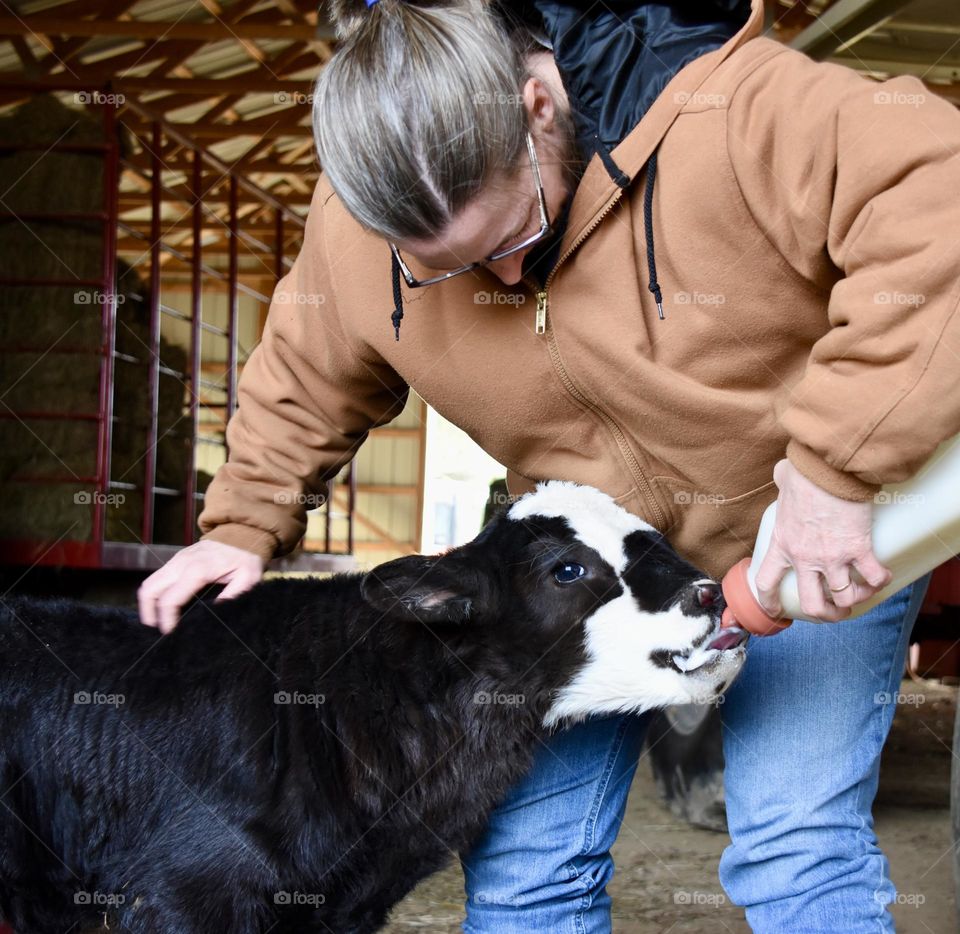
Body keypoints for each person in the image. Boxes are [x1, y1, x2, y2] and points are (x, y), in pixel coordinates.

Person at [137, 0, 960, 930]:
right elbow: (310, 363)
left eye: (507, 240)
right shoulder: (369, 216)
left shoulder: (729, 112)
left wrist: (838, 464)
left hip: (803, 532)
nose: (496, 281)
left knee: (792, 845)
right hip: (573, 564)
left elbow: (940, 200)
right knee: (530, 867)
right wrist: (242, 522)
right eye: (443, 271)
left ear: (539, 107)